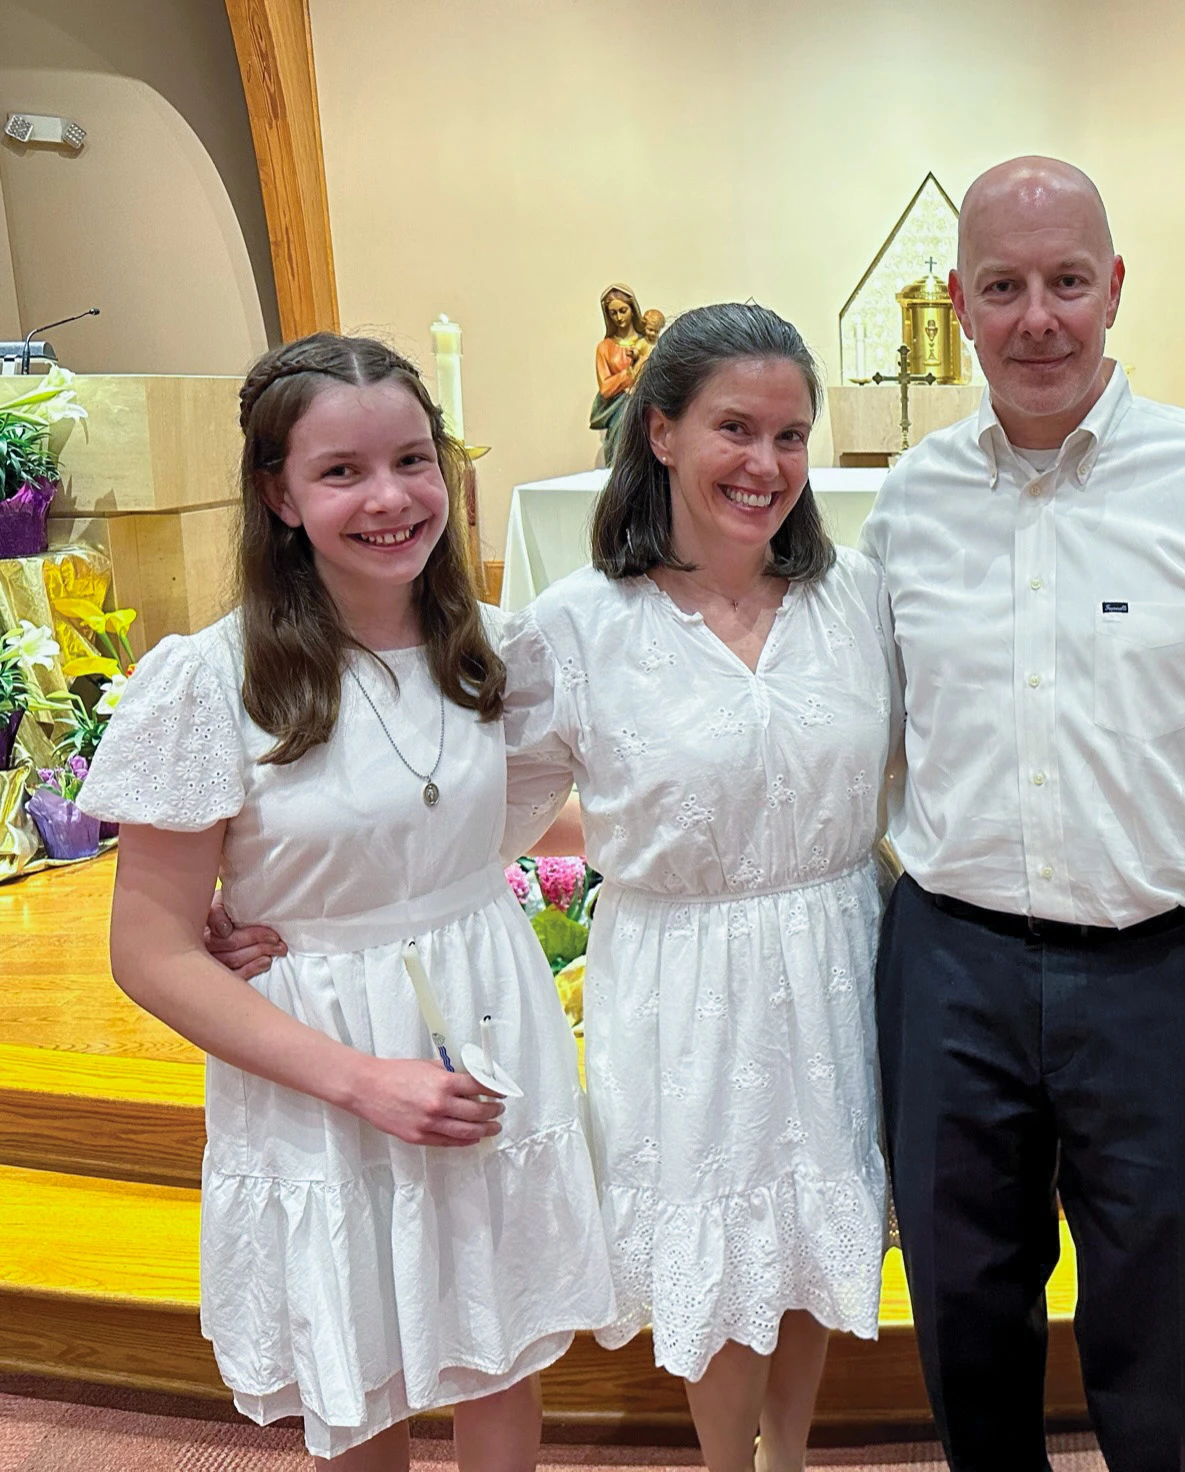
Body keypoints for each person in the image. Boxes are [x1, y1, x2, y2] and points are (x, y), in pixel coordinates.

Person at [858, 156, 1185, 1471]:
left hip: (1159, 970)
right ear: (960, 302)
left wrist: (1165, 831)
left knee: (1168, 1329)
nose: (1038, 318)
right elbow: (879, 731)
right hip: (952, 965)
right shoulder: (909, 504)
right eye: (1002, 287)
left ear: (1115, 288)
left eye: (1067, 282)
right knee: (964, 1320)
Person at [78, 333, 616, 1468]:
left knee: (500, 1340)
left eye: (413, 460)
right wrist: (363, 1079)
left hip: (481, 1008)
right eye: (341, 472)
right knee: (357, 1353)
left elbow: (498, 830)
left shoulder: (496, 656)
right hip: (321, 1053)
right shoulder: (210, 682)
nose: (391, 499)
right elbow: (151, 951)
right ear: (278, 493)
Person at [500, 302, 894, 1472]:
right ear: (659, 431)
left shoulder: (855, 598)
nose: (765, 465)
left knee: (819, 1227)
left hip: (836, 943)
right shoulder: (579, 626)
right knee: (719, 1239)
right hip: (681, 967)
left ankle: (794, 1454)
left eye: (789, 435)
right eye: (735, 428)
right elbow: (497, 812)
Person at [592, 284, 652, 467]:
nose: (618, 317)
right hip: (618, 412)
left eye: (622, 310)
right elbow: (605, 388)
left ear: (632, 310)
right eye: (613, 313)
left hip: (645, 410)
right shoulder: (605, 348)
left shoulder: (647, 343)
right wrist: (630, 374)